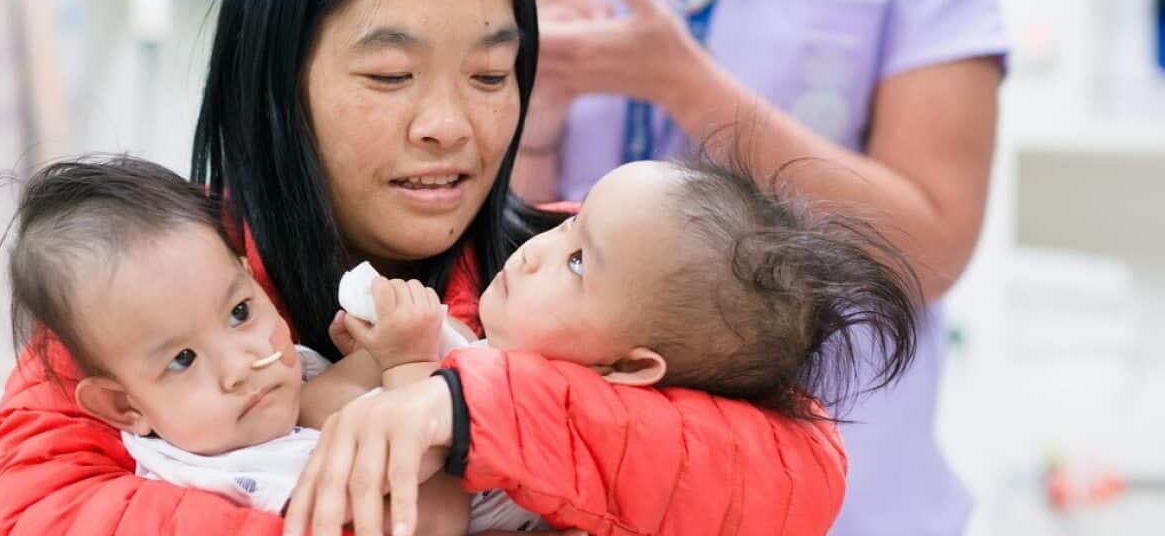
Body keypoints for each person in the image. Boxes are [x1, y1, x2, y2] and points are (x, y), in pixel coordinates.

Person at [0, 0, 848, 536]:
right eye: (391, 76)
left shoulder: (577, 262)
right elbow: (30, 515)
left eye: (492, 74)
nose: (449, 126)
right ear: (273, 82)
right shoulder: (145, 289)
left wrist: (461, 408)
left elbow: (798, 476)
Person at [508, 0, 1009, 534]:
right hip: (585, 494)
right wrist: (540, 121)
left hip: (844, 498)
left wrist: (684, 87)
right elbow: (516, 256)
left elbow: (934, 245)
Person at [311, 154, 921, 535]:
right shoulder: (466, 345)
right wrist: (383, 356)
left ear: (629, 367)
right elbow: (307, 410)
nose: (534, 253)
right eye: (567, 227)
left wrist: (406, 367)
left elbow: (418, 511)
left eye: (576, 264)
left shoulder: (563, 469)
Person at [0, 156, 474, 533]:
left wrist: (377, 352)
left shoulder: (276, 405)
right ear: (124, 405)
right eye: (183, 359)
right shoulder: (240, 481)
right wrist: (412, 370)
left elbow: (459, 357)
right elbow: (434, 521)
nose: (241, 365)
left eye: (240, 313)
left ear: (256, 284)